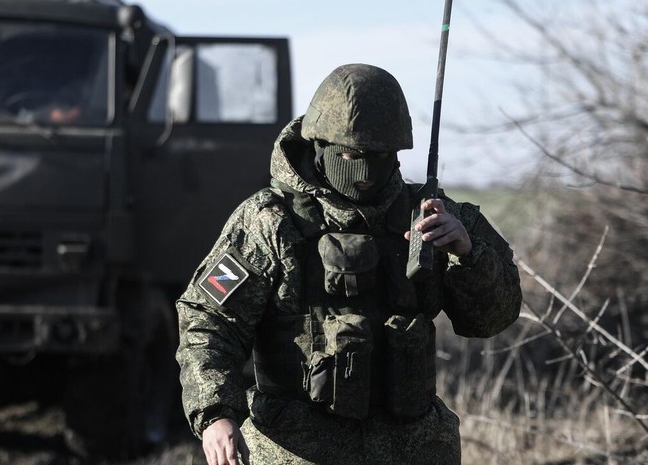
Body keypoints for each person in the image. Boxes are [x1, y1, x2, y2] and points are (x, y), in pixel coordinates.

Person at [175, 63, 522, 465]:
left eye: (380, 156)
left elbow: (493, 319)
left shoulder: (434, 217)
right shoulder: (270, 221)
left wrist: (468, 254)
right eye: (353, 155)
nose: (365, 172)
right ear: (321, 145)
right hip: (296, 448)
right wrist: (215, 413)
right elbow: (207, 319)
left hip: (413, 448)